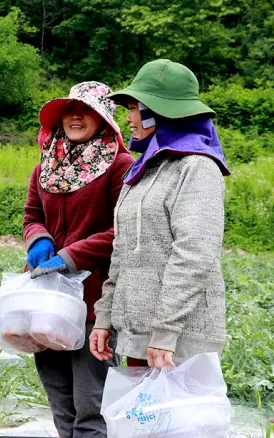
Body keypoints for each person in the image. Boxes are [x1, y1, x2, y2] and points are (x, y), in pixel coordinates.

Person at [90, 59, 229, 370]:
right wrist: (106, 316)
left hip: (178, 342)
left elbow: (195, 255)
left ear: (158, 110)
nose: (128, 119)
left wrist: (165, 332)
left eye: (133, 108)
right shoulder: (146, 168)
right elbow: (122, 251)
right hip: (141, 333)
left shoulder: (197, 167)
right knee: (141, 419)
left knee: (178, 419)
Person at [23, 81, 134, 438]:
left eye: (86, 110)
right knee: (58, 393)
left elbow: (124, 231)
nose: (75, 116)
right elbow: (31, 215)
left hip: (94, 299)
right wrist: (39, 238)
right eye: (70, 109)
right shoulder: (46, 167)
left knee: (91, 401)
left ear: (103, 119)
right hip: (48, 296)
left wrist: (69, 256)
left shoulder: (121, 166)